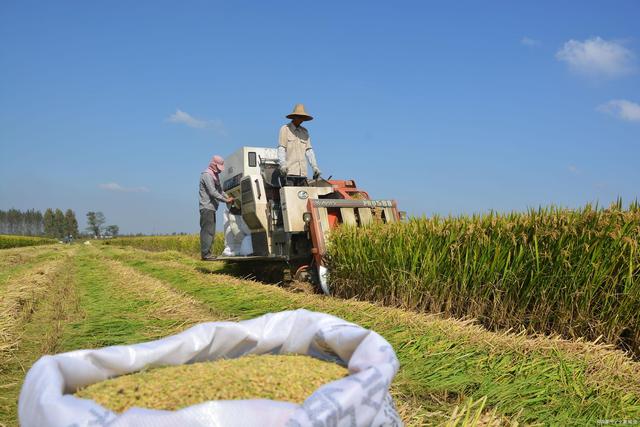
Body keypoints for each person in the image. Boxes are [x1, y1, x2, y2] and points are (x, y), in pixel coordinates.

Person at [199, 155, 234, 260]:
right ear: (213, 165)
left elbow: (220, 191)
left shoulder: (214, 176)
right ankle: (205, 254)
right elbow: (212, 192)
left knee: (211, 231)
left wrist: (229, 197)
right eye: (218, 168)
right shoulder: (207, 175)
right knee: (207, 231)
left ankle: (207, 253)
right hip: (206, 207)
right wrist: (226, 200)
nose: (219, 171)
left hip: (212, 208)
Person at [278, 104, 321, 186]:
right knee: (290, 197)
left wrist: (315, 167)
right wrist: (283, 165)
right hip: (289, 173)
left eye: (302, 117)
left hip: (302, 174)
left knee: (304, 196)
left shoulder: (305, 132)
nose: (301, 119)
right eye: (299, 116)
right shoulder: (285, 129)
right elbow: (281, 148)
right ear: (294, 117)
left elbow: (309, 151)